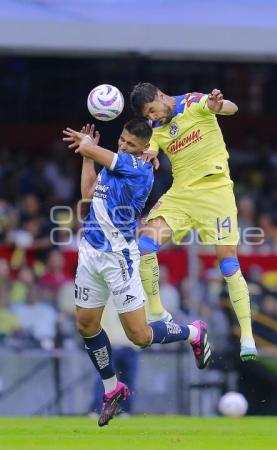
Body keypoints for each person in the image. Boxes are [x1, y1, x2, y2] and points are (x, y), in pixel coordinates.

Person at [62, 120, 211, 427]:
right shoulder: (114, 163)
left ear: (145, 148)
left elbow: (112, 157)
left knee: (140, 336)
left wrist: (88, 145)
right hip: (90, 252)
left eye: (130, 144)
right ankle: (111, 388)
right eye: (121, 140)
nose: (123, 145)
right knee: (86, 324)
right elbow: (89, 193)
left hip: (119, 258)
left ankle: (194, 331)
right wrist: (87, 156)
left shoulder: (139, 169)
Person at [130, 83, 257, 361]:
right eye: (147, 115)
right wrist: (149, 155)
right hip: (181, 195)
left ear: (161, 96)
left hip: (215, 191)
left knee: (227, 262)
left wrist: (217, 106)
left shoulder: (193, 102)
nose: (153, 117)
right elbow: (150, 148)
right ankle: (158, 312)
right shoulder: (156, 129)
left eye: (152, 110)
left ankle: (247, 335)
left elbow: (231, 108)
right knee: (145, 244)